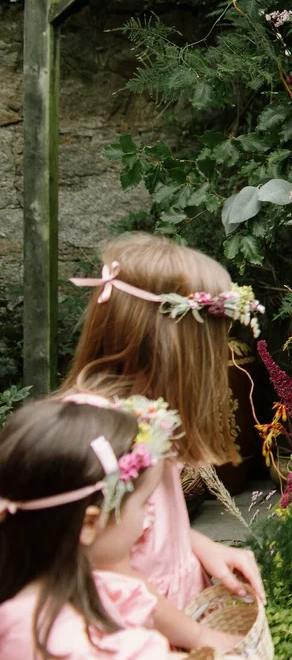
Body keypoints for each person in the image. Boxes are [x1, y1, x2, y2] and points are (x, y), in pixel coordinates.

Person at [0, 398, 286, 660]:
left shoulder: (41, 606)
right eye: (143, 504)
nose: (150, 516)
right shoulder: (70, 650)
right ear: (89, 524)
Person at [58, 233, 267, 608]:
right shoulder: (102, 438)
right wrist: (196, 634)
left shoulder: (149, 417)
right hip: (136, 630)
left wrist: (198, 545)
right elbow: (109, 577)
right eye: (210, 346)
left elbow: (144, 530)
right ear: (174, 349)